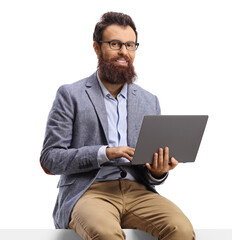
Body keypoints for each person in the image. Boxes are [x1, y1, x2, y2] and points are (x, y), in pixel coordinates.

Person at [40, 11, 195, 240]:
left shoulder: (148, 101)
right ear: (96, 47)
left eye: (130, 45)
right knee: (105, 234)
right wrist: (105, 153)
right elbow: (50, 159)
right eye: (115, 44)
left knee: (180, 229)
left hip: (139, 192)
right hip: (89, 191)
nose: (124, 52)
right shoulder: (70, 95)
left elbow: (150, 172)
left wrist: (157, 172)